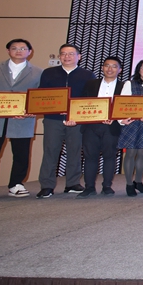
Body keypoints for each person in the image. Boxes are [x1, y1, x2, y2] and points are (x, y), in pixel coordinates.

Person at [0, 39, 43, 201]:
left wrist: (32, 111)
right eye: (14, 48)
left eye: (23, 48)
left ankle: (16, 184)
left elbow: (39, 96)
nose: (19, 51)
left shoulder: (38, 71)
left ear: (29, 52)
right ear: (8, 51)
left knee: (21, 154)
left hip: (22, 119)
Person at [36, 44, 95, 199]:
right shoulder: (48, 73)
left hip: (77, 120)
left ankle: (72, 183)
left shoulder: (88, 74)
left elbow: (90, 99)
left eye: (71, 54)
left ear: (79, 57)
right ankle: (47, 185)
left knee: (75, 151)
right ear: (59, 56)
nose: (67, 57)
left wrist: (76, 116)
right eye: (63, 54)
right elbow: (41, 95)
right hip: (53, 119)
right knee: (50, 151)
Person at [75, 56, 132, 198]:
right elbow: (81, 103)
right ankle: (89, 187)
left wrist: (117, 118)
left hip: (112, 126)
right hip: (91, 126)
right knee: (90, 157)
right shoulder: (91, 84)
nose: (110, 69)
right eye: (107, 65)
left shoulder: (124, 86)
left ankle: (107, 186)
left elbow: (126, 106)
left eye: (114, 66)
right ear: (102, 68)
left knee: (110, 156)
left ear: (120, 70)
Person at [118, 59, 143, 196]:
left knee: (142, 153)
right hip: (132, 123)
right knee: (130, 153)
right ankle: (129, 184)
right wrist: (123, 119)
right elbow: (122, 103)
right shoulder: (129, 84)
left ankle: (138, 182)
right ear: (138, 70)